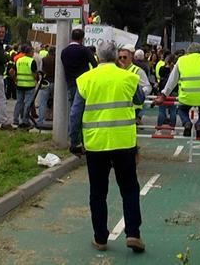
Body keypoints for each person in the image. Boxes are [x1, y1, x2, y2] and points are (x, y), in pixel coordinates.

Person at [68, 41, 146, 253]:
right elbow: (140, 98)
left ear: (98, 58)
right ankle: (132, 234)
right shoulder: (129, 77)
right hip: (124, 143)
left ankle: (100, 238)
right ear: (116, 57)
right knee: (129, 188)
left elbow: (75, 113)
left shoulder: (86, 79)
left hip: (96, 144)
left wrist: (74, 141)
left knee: (98, 192)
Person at [159, 43, 200, 138]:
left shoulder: (181, 60)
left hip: (186, 96)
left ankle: (186, 123)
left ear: (188, 52)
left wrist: (164, 95)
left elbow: (172, 80)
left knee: (181, 109)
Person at [61, 28, 98, 117]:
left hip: (71, 83)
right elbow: (95, 64)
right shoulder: (85, 50)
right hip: (84, 83)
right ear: (82, 38)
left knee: (73, 109)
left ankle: (72, 129)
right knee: (84, 109)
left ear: (71, 37)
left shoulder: (64, 51)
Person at [118, 45, 152, 124]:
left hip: (133, 108)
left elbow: (147, 87)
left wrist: (138, 93)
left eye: (125, 57)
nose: (122, 59)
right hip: (120, 108)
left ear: (131, 58)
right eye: (120, 57)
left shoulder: (137, 71)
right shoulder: (116, 70)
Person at [14, 44, 38, 128]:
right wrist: (36, 80)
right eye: (33, 52)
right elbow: (34, 74)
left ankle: (15, 120)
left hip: (19, 85)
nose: (33, 53)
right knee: (27, 103)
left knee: (19, 103)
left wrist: (15, 79)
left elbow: (12, 71)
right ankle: (25, 121)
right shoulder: (31, 61)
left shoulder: (19, 60)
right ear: (30, 52)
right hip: (29, 85)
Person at [35, 46, 56, 127]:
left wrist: (40, 81)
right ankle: (56, 119)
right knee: (56, 103)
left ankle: (40, 120)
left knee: (43, 102)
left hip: (45, 82)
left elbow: (40, 71)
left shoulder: (44, 59)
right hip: (55, 83)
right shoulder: (57, 60)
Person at [156, 54, 177, 128]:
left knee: (161, 110)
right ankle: (172, 128)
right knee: (173, 111)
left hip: (163, 90)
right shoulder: (176, 69)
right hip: (173, 91)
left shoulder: (162, 69)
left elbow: (159, 75)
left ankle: (159, 128)